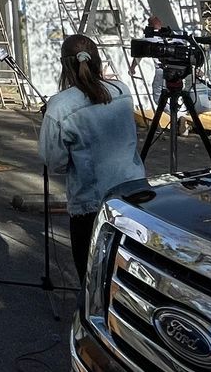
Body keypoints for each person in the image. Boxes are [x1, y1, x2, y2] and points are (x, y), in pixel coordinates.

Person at [41, 32, 149, 283]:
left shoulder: (59, 105)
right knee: (128, 272)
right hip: (133, 192)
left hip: (91, 203)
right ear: (98, 61)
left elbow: (54, 161)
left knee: (92, 278)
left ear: (64, 66)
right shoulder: (122, 90)